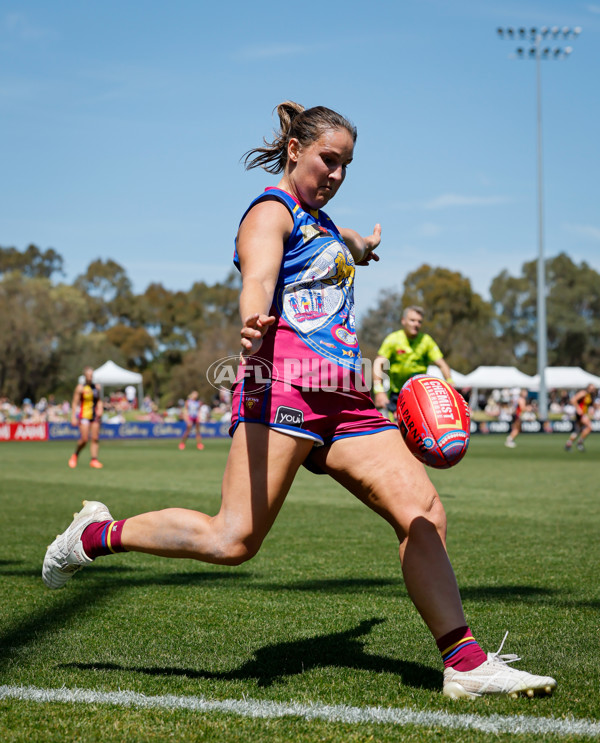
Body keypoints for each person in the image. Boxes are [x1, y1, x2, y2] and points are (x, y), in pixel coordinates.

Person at [43, 101, 555, 699]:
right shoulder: (270, 212)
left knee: (424, 513)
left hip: (346, 395)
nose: (336, 174)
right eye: (327, 160)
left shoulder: (328, 225)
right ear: (295, 151)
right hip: (280, 384)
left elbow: (348, 247)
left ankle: (465, 665)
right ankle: (95, 534)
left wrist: (364, 246)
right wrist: (251, 318)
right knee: (232, 539)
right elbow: (258, 276)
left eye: (346, 165)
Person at [372, 307, 453, 418]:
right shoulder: (393, 339)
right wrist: (378, 391)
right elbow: (378, 363)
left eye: (419, 321)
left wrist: (450, 385)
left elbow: (442, 364)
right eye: (412, 320)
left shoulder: (426, 340)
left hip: (420, 395)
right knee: (396, 431)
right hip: (397, 395)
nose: (416, 324)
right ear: (403, 321)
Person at [68, 366, 104, 469]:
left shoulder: (96, 387)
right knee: (84, 439)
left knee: (95, 438)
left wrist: (100, 408)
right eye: (88, 375)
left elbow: (99, 401)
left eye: (92, 375)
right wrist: (73, 417)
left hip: (94, 415)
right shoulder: (80, 388)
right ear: (85, 376)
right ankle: (75, 454)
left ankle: (94, 460)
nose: (90, 377)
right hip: (84, 415)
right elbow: (74, 403)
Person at [565, 383, 597, 452]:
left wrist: (591, 410)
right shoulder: (583, 393)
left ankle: (568, 444)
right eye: (591, 388)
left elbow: (589, 405)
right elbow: (573, 400)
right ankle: (580, 442)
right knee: (589, 427)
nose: (592, 390)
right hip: (580, 414)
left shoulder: (590, 395)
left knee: (578, 430)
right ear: (588, 388)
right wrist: (578, 409)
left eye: (593, 388)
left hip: (584, 413)